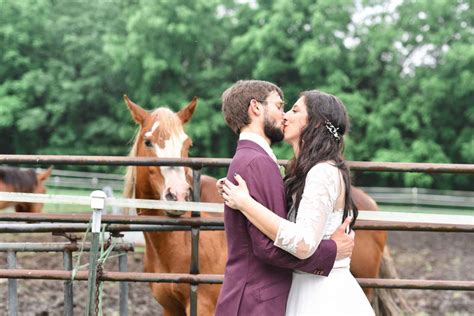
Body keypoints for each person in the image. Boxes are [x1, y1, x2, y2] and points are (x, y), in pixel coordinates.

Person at [221, 89, 375, 315]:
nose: (285, 116)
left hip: (321, 296)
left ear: (314, 124)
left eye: (294, 110)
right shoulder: (304, 171)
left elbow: (303, 243)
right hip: (303, 288)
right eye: (283, 108)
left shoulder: (322, 172)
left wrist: (245, 203)